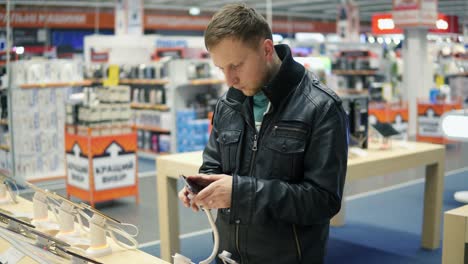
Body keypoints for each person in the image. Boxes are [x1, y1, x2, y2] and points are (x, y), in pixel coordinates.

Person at [178, 3, 348, 263]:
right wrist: (202, 187)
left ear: (266, 49)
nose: (229, 80)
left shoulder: (321, 107)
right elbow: (213, 165)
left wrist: (240, 193)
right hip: (227, 255)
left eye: (236, 65)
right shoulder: (228, 104)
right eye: (221, 68)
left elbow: (323, 201)